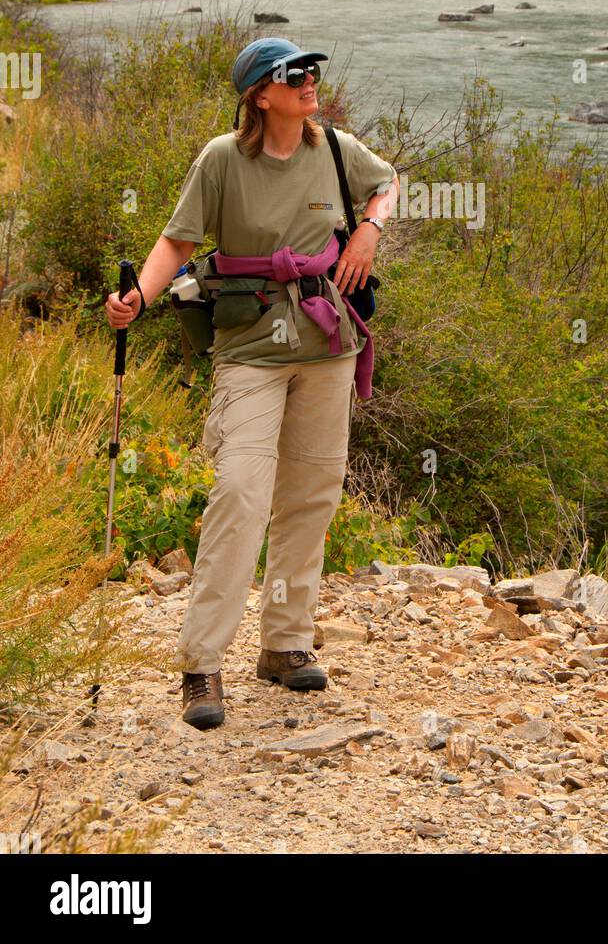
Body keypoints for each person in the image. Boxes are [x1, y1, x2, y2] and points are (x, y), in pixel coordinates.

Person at [105, 38, 398, 730]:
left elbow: (386, 184)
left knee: (312, 492)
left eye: (312, 71)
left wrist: (369, 234)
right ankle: (201, 665)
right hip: (248, 349)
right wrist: (138, 301)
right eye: (294, 75)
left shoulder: (334, 149)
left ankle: (285, 645)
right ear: (258, 95)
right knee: (239, 490)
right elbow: (177, 242)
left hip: (326, 346)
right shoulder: (220, 160)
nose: (309, 82)